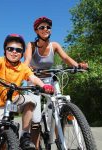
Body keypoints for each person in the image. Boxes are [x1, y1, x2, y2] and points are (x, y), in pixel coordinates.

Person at [0, 34, 54, 150]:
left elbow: (33, 78)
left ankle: (25, 135)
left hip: (15, 99)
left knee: (31, 102)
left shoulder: (23, 67)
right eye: (10, 49)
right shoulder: (1, 61)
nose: (14, 52)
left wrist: (44, 85)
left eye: (18, 50)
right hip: (0, 103)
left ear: (22, 53)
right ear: (5, 50)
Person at [24, 16, 88, 149]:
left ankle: (60, 140)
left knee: (58, 106)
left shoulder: (55, 45)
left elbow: (65, 58)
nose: (45, 29)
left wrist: (78, 66)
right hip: (34, 79)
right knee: (35, 118)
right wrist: (25, 69)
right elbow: (27, 59)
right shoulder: (31, 45)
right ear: (36, 31)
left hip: (50, 79)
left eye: (48, 27)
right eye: (42, 27)